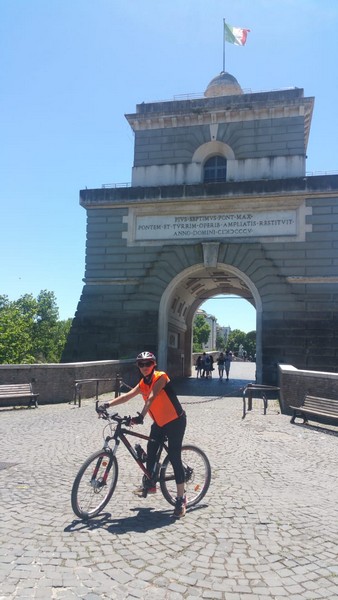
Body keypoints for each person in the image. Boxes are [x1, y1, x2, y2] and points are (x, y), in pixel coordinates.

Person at [101, 351, 187, 518]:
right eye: (141, 364)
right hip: (160, 423)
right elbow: (127, 396)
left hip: (176, 421)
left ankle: (181, 498)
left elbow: (152, 397)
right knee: (151, 449)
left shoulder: (161, 377)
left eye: (148, 363)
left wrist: (140, 416)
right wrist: (107, 404)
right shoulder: (142, 383)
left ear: (154, 364)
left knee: (175, 457)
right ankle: (151, 484)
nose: (145, 367)